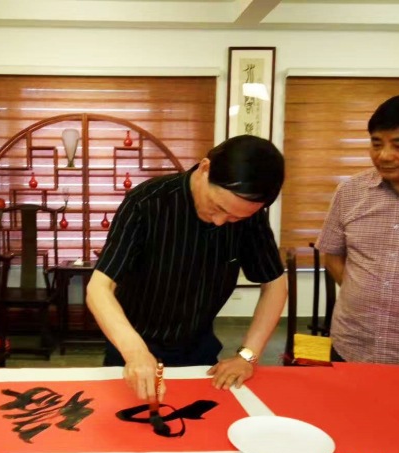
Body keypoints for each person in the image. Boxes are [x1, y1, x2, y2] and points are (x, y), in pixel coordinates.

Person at [86, 135, 287, 401]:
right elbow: (99, 288)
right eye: (217, 207)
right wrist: (135, 351)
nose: (220, 221)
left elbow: (275, 284)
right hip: (131, 344)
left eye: (234, 218)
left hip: (199, 350)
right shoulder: (147, 202)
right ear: (205, 168)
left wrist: (247, 356)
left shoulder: (248, 217)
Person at [315, 93, 399, 364]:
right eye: (376, 144)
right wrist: (362, 292)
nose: (384, 156)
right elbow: (333, 256)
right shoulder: (350, 191)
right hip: (353, 344)